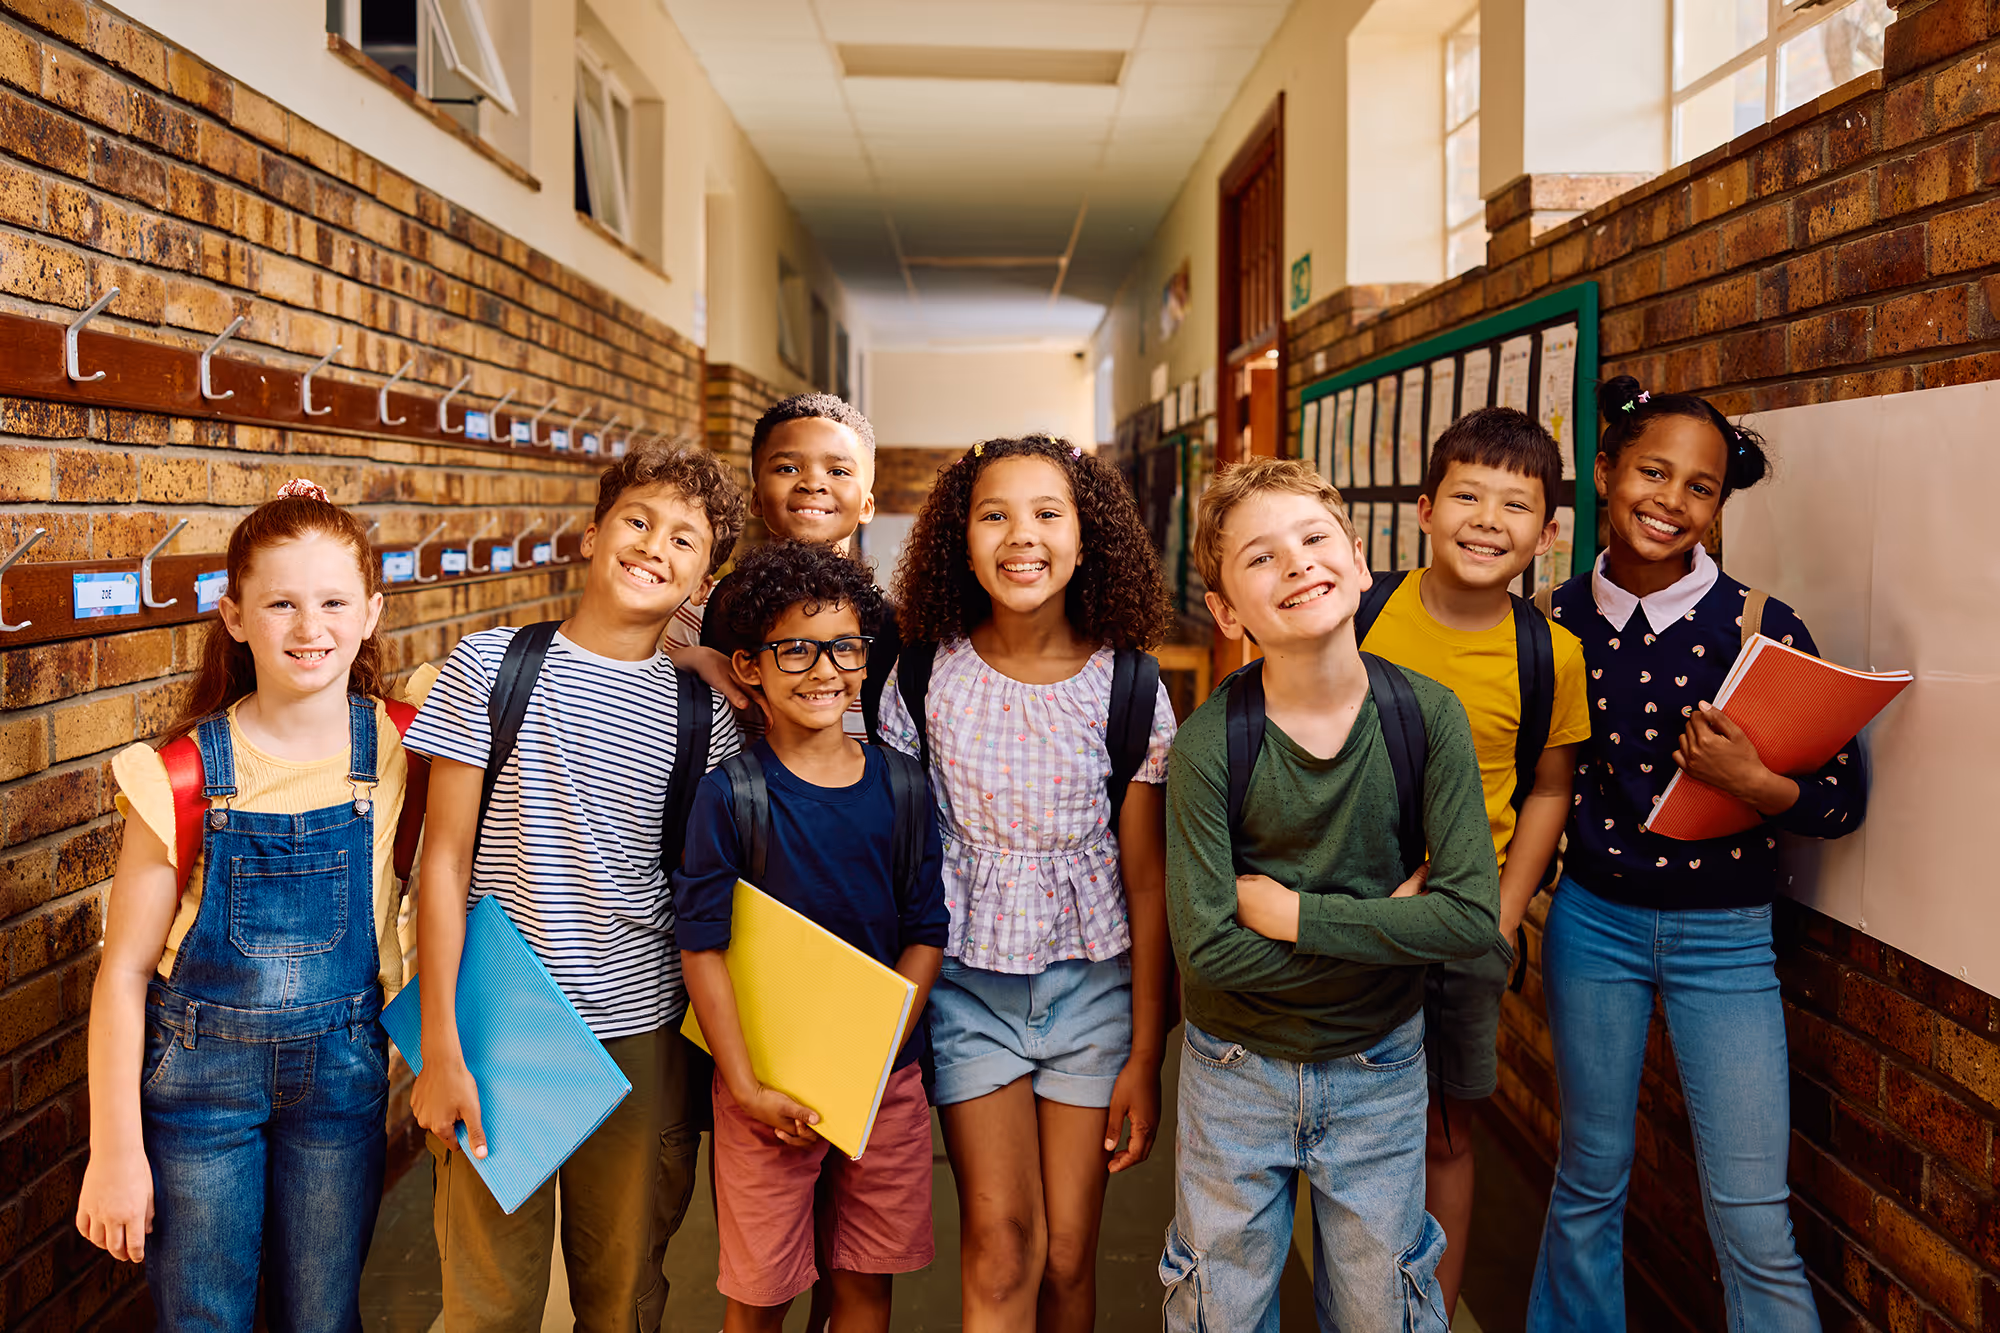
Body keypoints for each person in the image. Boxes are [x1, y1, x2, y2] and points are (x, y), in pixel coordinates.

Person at [1528, 377, 1864, 1333]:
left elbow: (1841, 799)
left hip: (1728, 942)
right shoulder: (1554, 620)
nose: (1671, 502)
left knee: (1752, 1213)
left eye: (1702, 487)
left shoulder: (1761, 626)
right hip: (1592, 926)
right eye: (1652, 472)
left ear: (1722, 505)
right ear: (1605, 473)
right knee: (1589, 1176)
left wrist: (1756, 782)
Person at [404, 437, 746, 1331]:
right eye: (638, 521)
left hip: (641, 1033)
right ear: (591, 535)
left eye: (686, 540)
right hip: (501, 1026)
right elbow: (440, 862)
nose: (654, 546)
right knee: (489, 1303)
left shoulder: (703, 713)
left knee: (622, 1297)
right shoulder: (490, 667)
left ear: (702, 580)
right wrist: (443, 1045)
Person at [1161, 456, 1498, 1333]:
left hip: (1378, 1068)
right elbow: (1205, 952)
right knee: (1219, 1310)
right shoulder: (1207, 747)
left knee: (1382, 1308)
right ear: (1229, 612)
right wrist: (1395, 932)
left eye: (1313, 539)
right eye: (1260, 557)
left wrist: (1293, 915)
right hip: (1235, 1069)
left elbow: (1466, 919)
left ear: (1357, 558)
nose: (1297, 562)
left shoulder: (1428, 716)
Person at [76, 480, 416, 1331]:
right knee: (205, 1319)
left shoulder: (406, 745)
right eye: (282, 603)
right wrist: (114, 1151)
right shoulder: (181, 774)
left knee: (323, 1316)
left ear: (371, 611)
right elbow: (121, 976)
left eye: (335, 601)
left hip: (344, 1080)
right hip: (197, 1088)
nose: (311, 628)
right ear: (233, 615)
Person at [875, 434, 1176, 1332]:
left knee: (1071, 1256)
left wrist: (1146, 1054)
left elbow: (1149, 883)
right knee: (1003, 1241)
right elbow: (893, 852)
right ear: (959, 540)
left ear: (1087, 537)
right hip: (965, 988)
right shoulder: (924, 676)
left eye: (1048, 513)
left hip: (1093, 995)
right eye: (994, 514)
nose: (1022, 536)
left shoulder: (1127, 687)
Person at [1353, 408, 1590, 1319]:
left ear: (1547, 531)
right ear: (1421, 507)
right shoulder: (1364, 613)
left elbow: (1549, 787)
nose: (1489, 518)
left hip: (1459, 936)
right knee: (1342, 1128)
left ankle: (1429, 1310)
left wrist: (1497, 917)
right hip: (1343, 925)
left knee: (1447, 1136)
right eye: (1467, 494)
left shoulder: (1548, 654)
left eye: (1517, 504)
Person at [675, 540, 948, 1333]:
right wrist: (749, 1084)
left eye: (843, 646)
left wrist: (870, 1054)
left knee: (865, 1284)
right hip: (764, 1086)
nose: (823, 667)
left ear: (866, 660)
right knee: (760, 1293)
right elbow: (703, 946)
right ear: (750, 667)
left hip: (884, 1084)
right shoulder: (731, 796)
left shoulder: (903, 784)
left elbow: (926, 930)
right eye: (794, 648)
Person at [666, 392, 888, 737]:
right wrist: (687, 661)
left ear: (866, 506)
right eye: (787, 468)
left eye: (838, 471)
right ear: (755, 498)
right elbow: (649, 689)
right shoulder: (704, 608)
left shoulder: (889, 625)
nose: (813, 483)